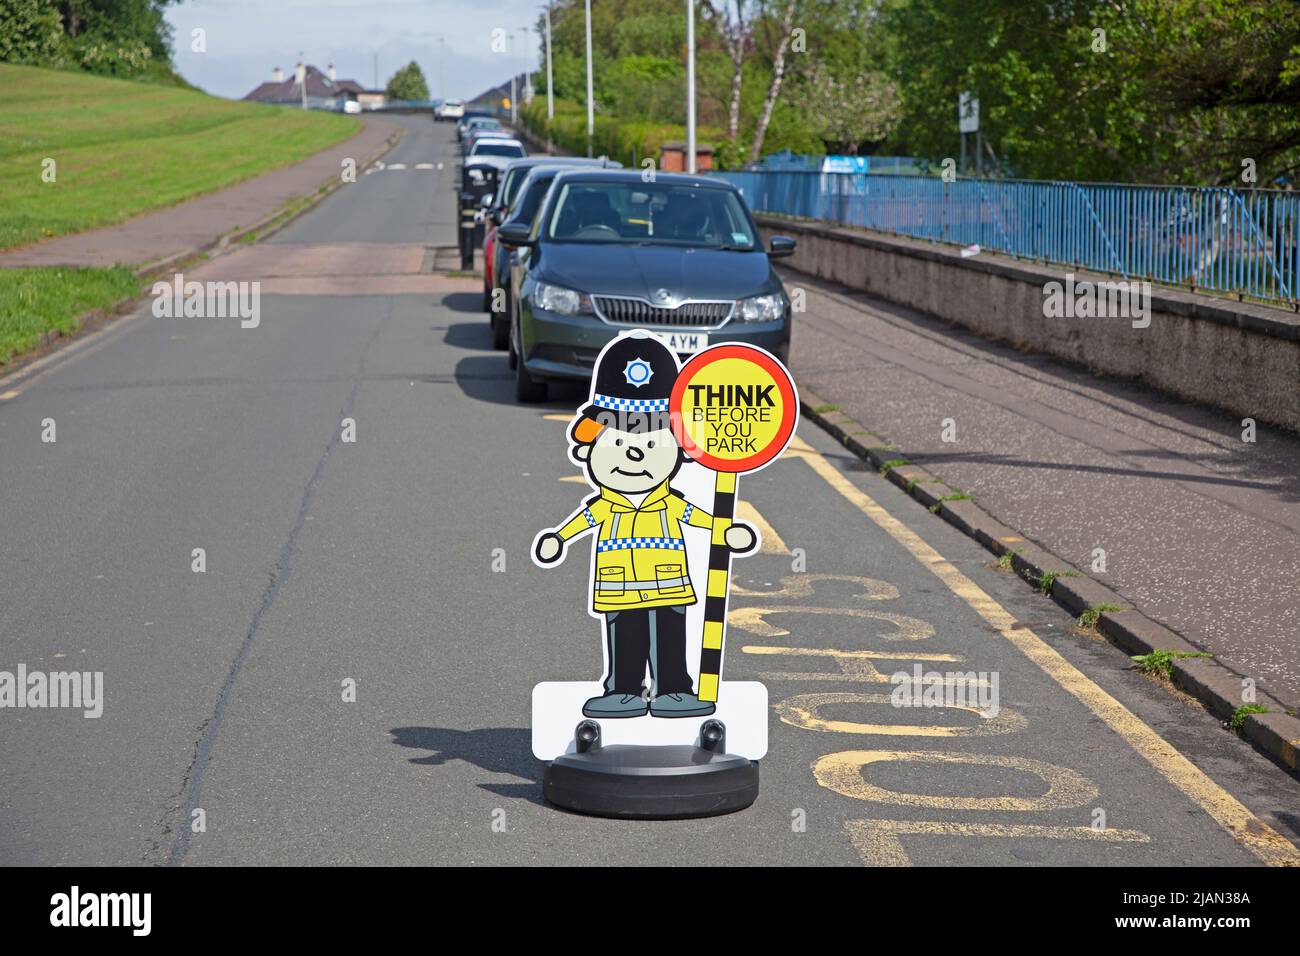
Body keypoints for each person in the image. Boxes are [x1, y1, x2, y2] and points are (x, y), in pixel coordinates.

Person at [533, 333, 756, 718]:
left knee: (669, 636)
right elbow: (585, 519)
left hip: (667, 581)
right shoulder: (609, 504)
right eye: (617, 441)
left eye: (653, 443)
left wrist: (725, 531)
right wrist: (559, 538)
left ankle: (673, 691)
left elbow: (696, 517)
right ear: (590, 448)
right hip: (618, 584)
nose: (635, 453)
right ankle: (623, 690)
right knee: (625, 636)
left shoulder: (667, 501)